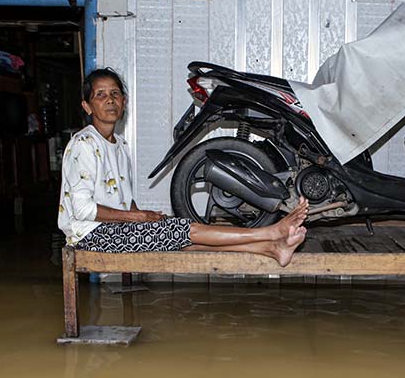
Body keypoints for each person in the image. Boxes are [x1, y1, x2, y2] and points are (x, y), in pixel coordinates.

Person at [58, 68, 308, 267]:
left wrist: (146, 217)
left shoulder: (120, 144)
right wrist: (137, 217)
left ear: (124, 102)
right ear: (87, 106)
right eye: (100, 95)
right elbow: (82, 209)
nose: (110, 100)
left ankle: (272, 249)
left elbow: (122, 201)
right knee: (184, 229)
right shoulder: (84, 144)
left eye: (115, 94)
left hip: (114, 229)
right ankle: (272, 232)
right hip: (90, 236)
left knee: (181, 239)